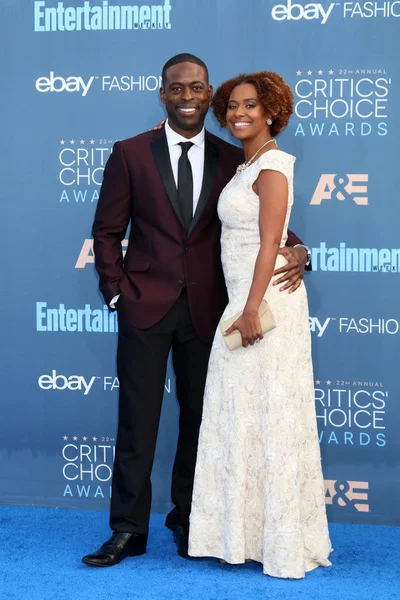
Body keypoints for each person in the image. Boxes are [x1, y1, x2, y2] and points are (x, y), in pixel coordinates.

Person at [82, 54, 310, 568]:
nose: (189, 97)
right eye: (178, 89)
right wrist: (116, 290)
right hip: (144, 306)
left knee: (201, 422)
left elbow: (269, 226)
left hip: (209, 313)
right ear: (163, 93)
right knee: (137, 422)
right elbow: (105, 231)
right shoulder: (130, 153)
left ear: (209, 96)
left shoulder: (236, 158)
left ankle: (191, 522)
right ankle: (127, 530)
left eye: (198, 89)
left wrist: (303, 253)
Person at [188, 71, 332, 578]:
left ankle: (281, 543)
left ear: (271, 111)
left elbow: (271, 241)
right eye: (231, 106)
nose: (238, 113)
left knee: (270, 416)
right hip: (244, 299)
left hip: (264, 305)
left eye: (250, 105)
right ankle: (244, 536)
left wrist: (250, 309)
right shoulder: (244, 164)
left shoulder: (271, 165)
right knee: (244, 416)